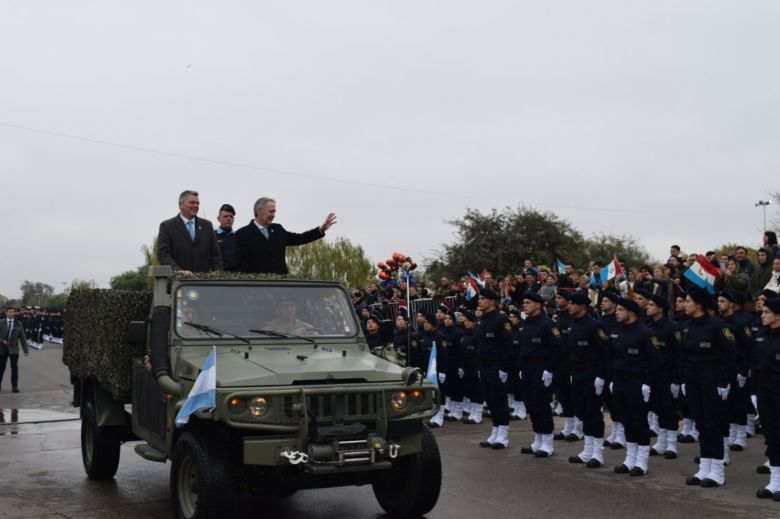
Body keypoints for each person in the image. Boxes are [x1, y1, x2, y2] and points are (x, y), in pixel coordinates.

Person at [682, 287, 736, 488]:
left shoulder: (718, 326)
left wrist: (723, 382)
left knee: (713, 423)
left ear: (699, 304)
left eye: (688, 301)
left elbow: (730, 356)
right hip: (694, 380)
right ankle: (704, 466)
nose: (685, 304)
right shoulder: (688, 326)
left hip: (712, 379)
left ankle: (717, 471)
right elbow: (684, 355)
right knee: (701, 423)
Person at [609, 298, 660, 477]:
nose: (617, 312)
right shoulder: (616, 331)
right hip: (620, 381)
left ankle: (641, 461)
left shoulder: (645, 333)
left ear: (631, 312)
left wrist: (647, 382)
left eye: (621, 309)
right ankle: (630, 458)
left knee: (639, 421)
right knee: (626, 420)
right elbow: (613, 358)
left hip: (637, 382)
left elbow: (654, 361)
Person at [565, 292, 610, 468]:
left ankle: (597, 453)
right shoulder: (572, 325)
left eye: (572, 304)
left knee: (593, 412)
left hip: (592, 373)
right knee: (582, 410)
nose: (569, 306)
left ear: (582, 306)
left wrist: (601, 376)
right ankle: (588, 449)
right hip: (577, 373)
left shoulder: (594, 325)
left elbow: (604, 351)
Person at [235, 197, 336, 274]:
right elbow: (241, 264)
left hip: (281, 287)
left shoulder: (278, 229)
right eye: (271, 211)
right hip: (257, 289)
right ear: (259, 211)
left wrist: (321, 229)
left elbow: (300, 238)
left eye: (274, 211)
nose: (273, 215)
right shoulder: (242, 234)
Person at [518, 292, 563, 457]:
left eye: (528, 302)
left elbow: (558, 348)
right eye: (524, 302)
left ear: (538, 304)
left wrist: (550, 370)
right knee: (531, 406)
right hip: (528, 369)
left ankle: (548, 443)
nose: (525, 305)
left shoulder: (547, 324)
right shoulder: (525, 324)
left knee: (542, 405)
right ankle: (538, 439)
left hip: (542, 370)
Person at [476, 289, 513, 449]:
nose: (479, 301)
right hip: (484, 367)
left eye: (483, 299)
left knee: (499, 401)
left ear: (492, 301)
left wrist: (504, 369)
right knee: (490, 401)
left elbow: (508, 346)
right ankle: (495, 431)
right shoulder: (483, 321)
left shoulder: (501, 320)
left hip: (497, 367)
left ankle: (503, 435)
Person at [645, 294, 682, 459]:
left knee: (669, 409)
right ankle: (661, 440)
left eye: (652, 305)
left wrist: (676, 380)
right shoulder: (648, 326)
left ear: (660, 308)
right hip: (653, 374)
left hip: (668, 375)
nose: (648, 307)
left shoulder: (672, 328)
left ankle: (671, 443)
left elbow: (678, 355)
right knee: (657, 407)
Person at [158, 190, 223, 275]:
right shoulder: (167, 226)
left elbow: (215, 255)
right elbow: (163, 254)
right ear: (181, 205)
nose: (196, 206)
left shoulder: (207, 226)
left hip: (204, 282)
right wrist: (177, 271)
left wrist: (218, 275)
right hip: (179, 283)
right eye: (192, 203)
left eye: (197, 203)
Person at [753, 295, 780, 499]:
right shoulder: (762, 335)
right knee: (771, 436)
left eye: (767, 312)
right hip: (765, 391)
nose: (762, 315)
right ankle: (776, 481)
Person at [0, 308, 30, 392]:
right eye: (10, 312)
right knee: (1, 368)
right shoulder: (1, 322)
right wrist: (2, 341)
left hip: (14, 349)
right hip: (2, 349)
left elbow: (23, 337)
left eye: (13, 312)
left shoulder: (18, 323)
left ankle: (14, 386)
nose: (12, 313)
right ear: (6, 313)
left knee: (14, 368)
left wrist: (25, 349)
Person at [215, 203, 238, 272]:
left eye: (231, 217)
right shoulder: (212, 236)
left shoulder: (238, 236)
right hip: (218, 276)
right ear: (218, 219)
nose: (228, 219)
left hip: (237, 276)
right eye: (225, 216)